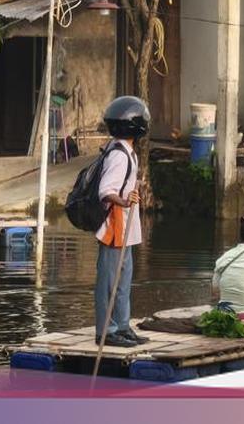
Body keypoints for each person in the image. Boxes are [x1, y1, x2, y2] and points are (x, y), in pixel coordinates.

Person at [94, 96, 150, 348]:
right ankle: (107, 331)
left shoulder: (129, 152)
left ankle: (123, 325)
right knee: (109, 283)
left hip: (127, 227)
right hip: (114, 228)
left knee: (124, 280)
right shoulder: (118, 155)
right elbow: (106, 191)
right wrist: (124, 201)